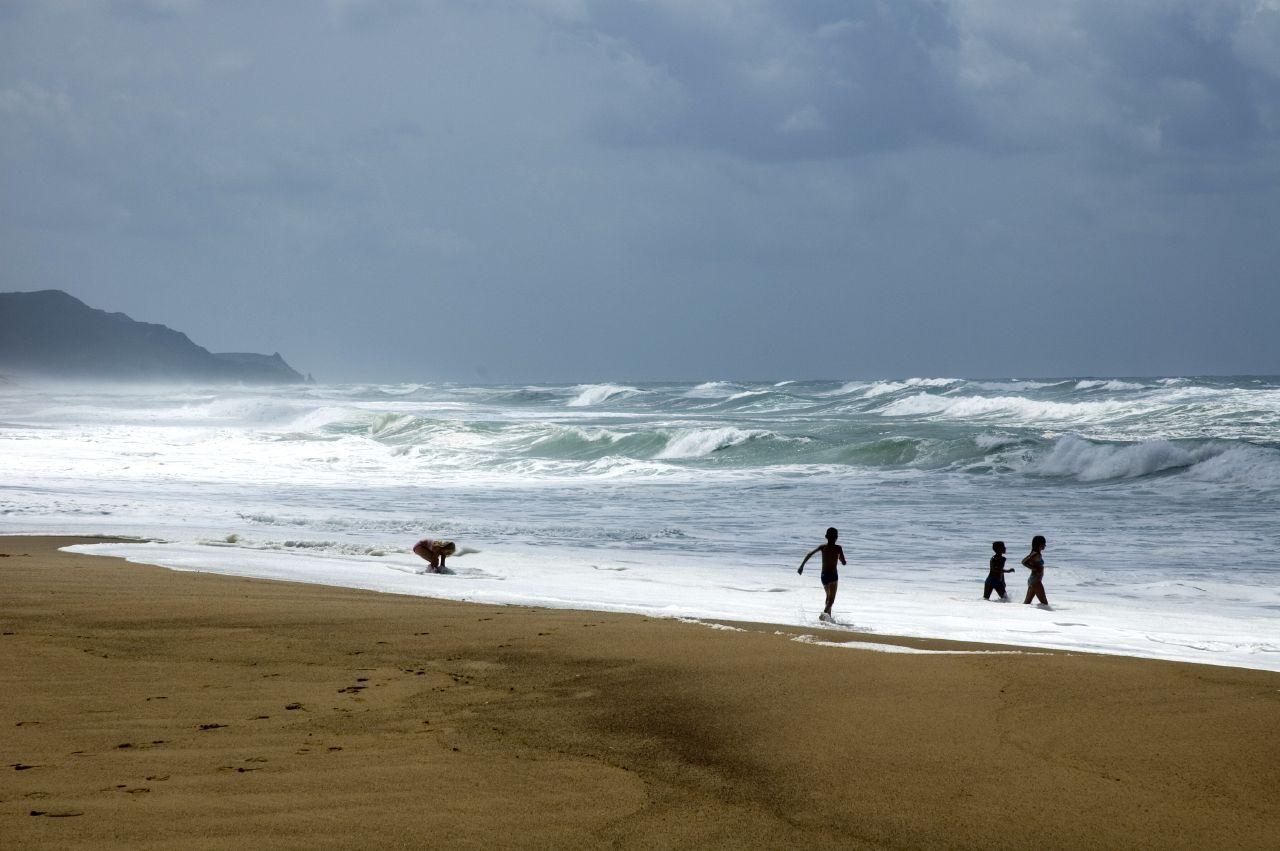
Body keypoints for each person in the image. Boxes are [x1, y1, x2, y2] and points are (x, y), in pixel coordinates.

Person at [798, 527, 846, 621]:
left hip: (824, 576)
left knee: (828, 597)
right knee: (831, 600)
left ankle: (828, 619)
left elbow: (809, 554)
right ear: (836, 537)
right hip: (833, 575)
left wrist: (801, 566)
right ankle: (823, 615)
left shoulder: (822, 547)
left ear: (826, 536)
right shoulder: (838, 548)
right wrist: (840, 558)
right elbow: (843, 562)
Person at [1021, 535, 1048, 605]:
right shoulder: (1035, 554)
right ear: (1040, 544)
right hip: (1036, 581)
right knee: (1045, 604)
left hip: (1034, 580)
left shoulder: (1036, 553)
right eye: (1044, 543)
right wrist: (1034, 568)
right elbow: (1023, 562)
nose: (1045, 545)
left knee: (1026, 604)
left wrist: (1035, 568)